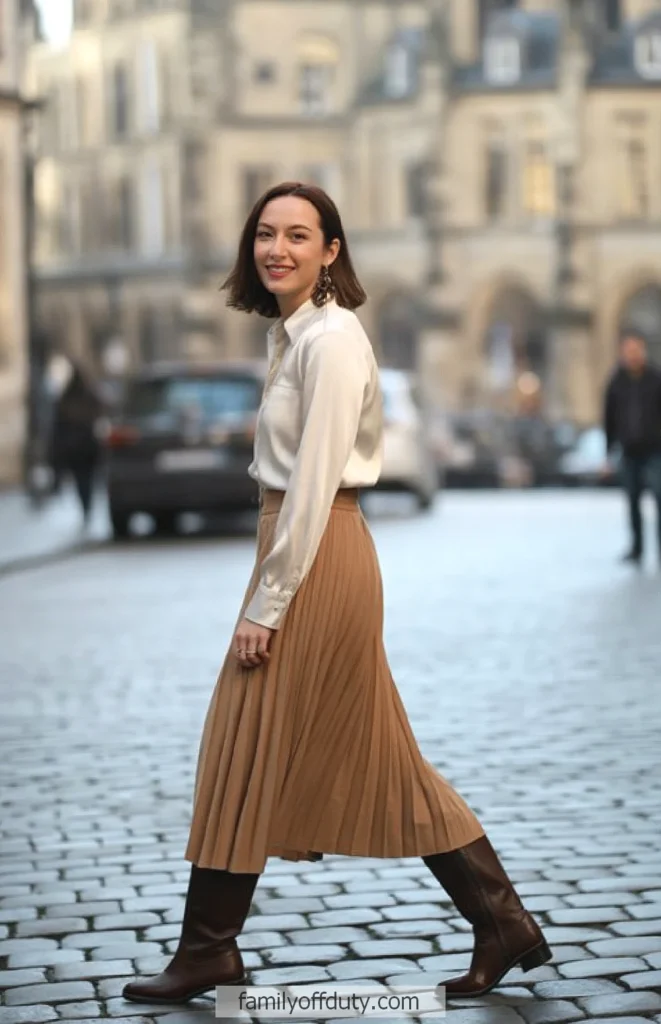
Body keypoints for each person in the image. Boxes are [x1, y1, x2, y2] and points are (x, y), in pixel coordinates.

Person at [123, 182, 550, 1006]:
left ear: (331, 251)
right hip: (302, 546)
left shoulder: (332, 339)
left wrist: (264, 605)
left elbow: (315, 481)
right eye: (264, 234)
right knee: (376, 756)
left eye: (296, 235)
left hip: (315, 552)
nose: (275, 248)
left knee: (241, 737)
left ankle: (208, 950)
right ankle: (503, 923)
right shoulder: (296, 336)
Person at [604, 329, 661, 565]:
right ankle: (637, 549)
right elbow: (609, 418)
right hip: (629, 450)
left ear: (643, 351)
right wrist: (608, 452)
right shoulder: (616, 382)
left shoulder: (656, 379)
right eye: (628, 350)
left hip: (656, 449)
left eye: (636, 350)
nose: (632, 354)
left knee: (660, 497)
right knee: (633, 500)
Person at [49, 363, 103, 525]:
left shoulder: (70, 397)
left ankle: (86, 508)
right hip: (83, 447)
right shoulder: (85, 396)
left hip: (79, 447)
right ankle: (87, 508)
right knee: (85, 480)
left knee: (83, 480)